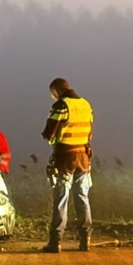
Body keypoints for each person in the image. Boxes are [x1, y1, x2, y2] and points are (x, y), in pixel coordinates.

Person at [40, 77, 93, 253]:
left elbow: (49, 134)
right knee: (82, 198)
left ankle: (55, 242)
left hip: (65, 158)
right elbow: (89, 134)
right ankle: (85, 241)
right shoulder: (86, 105)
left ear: (56, 91)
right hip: (84, 158)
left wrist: (53, 140)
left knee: (61, 199)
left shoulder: (61, 105)